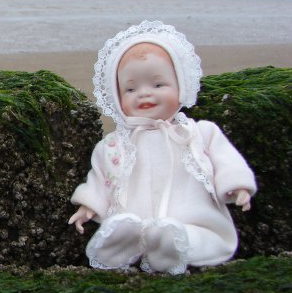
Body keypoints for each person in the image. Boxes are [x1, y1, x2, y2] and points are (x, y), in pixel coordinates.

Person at [69, 21, 256, 274]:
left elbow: (226, 160)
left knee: (196, 236)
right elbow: (102, 178)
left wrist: (237, 185)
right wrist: (89, 204)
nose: (144, 94)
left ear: (181, 86)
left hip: (193, 218)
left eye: (158, 85)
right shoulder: (114, 144)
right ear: (116, 96)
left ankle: (173, 244)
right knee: (123, 223)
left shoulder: (197, 133)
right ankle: (121, 244)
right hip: (135, 219)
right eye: (130, 89)